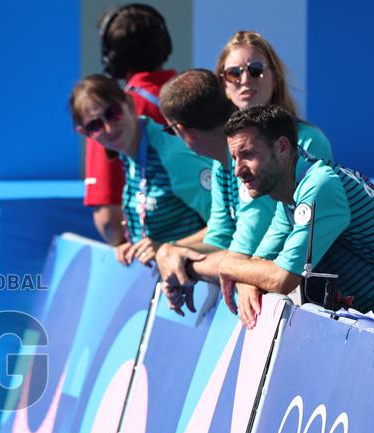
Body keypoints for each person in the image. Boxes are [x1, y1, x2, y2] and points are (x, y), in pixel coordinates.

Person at [218, 105, 374, 325]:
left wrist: (226, 266)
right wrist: (245, 280)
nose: (237, 170)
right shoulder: (292, 193)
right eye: (234, 158)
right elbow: (258, 262)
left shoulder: (320, 185)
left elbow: (281, 278)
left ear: (282, 147)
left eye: (247, 155)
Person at [155, 69, 278, 314]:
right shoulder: (221, 163)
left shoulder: (254, 162)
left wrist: (186, 267)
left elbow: (245, 257)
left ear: (182, 130)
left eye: (171, 131)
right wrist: (169, 251)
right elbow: (220, 236)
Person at [70, 74, 212, 266]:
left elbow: (227, 226)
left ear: (128, 103)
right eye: (95, 126)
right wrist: (134, 246)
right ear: (84, 133)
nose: (109, 128)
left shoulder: (172, 156)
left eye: (113, 113)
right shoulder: (132, 153)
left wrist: (165, 249)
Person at [84, 4, 176, 246]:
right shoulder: (200, 97)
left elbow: (108, 220)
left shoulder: (107, 116)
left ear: (110, 57)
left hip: (148, 265)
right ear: (165, 45)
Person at [214, 31, 331, 161]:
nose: (245, 79)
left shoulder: (308, 140)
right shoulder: (221, 145)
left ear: (275, 78)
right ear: (224, 85)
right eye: (233, 73)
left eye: (256, 70)